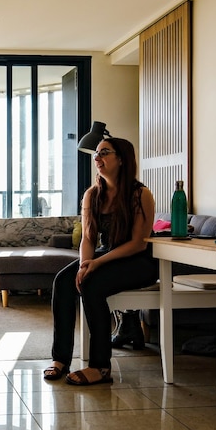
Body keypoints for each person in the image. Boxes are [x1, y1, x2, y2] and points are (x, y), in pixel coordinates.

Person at [42, 137, 158, 385]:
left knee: (91, 285)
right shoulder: (92, 195)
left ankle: (100, 367)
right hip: (107, 254)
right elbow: (88, 238)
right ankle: (60, 359)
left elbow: (139, 243)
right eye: (96, 153)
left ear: (121, 159)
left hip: (140, 261)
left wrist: (97, 264)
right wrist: (86, 263)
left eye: (104, 152)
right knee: (63, 281)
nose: (97, 158)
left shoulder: (141, 194)